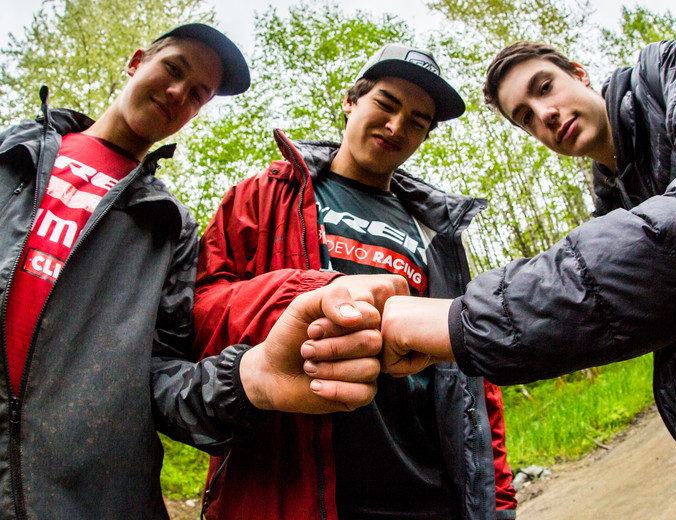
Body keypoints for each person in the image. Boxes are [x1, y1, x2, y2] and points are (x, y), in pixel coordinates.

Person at [371, 40, 676, 519]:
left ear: (580, 74)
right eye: (524, 116)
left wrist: (462, 319)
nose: (543, 114)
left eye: (545, 88)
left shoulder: (664, 74)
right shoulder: (612, 208)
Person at [0, 23, 393, 519]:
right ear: (137, 61)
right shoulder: (11, 158)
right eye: (173, 70)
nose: (178, 93)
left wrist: (251, 379)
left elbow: (162, 379)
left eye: (198, 94)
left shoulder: (170, 227)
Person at [193, 43, 517, 519]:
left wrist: (499, 503)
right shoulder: (265, 196)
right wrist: (309, 293)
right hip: (290, 486)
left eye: (417, 121)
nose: (396, 126)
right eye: (386, 105)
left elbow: (470, 379)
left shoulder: (438, 235)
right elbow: (199, 315)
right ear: (350, 101)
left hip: (427, 493)